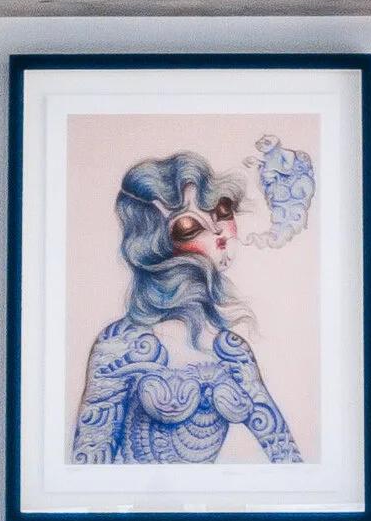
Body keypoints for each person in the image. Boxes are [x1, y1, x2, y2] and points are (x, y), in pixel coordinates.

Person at [72, 151, 301, 465]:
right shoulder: (119, 345)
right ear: (155, 244)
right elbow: (88, 466)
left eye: (222, 211)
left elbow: (286, 455)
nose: (219, 232)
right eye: (190, 228)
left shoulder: (232, 350)